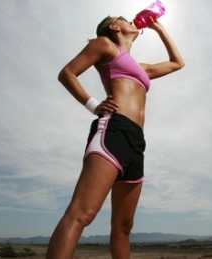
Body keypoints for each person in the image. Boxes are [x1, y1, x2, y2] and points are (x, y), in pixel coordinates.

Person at [46, 14, 184, 259]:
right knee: (81, 213)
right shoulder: (104, 44)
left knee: (123, 228)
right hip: (114, 129)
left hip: (136, 141)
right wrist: (92, 105)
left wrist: (158, 27)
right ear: (113, 27)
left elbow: (177, 63)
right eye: (122, 18)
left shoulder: (140, 67)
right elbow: (67, 73)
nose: (130, 20)